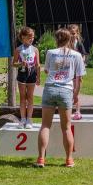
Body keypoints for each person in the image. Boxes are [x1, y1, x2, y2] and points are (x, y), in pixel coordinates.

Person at [36, 29, 86, 168]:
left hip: (50, 88)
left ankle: (41, 159)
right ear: (70, 39)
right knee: (66, 128)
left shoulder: (50, 53)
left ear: (56, 39)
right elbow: (79, 78)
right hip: (66, 90)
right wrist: (76, 95)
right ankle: (69, 160)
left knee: (45, 125)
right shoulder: (77, 55)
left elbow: (46, 70)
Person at [12, 27, 40, 129]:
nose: (32, 39)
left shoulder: (35, 49)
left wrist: (38, 77)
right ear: (23, 37)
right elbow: (14, 64)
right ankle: (23, 119)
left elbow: (37, 65)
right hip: (22, 74)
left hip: (32, 74)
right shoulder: (18, 49)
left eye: (32, 37)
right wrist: (21, 63)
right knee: (23, 98)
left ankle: (29, 119)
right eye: (29, 37)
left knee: (30, 97)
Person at [68, 24, 87, 120]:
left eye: (73, 33)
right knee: (69, 91)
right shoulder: (66, 44)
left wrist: (82, 62)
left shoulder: (78, 43)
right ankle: (68, 111)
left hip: (77, 71)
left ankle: (78, 111)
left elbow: (83, 55)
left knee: (76, 92)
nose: (72, 35)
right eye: (70, 33)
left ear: (77, 34)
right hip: (68, 71)